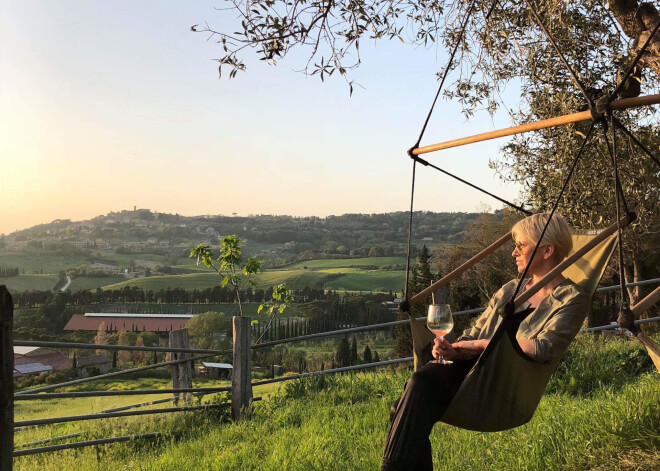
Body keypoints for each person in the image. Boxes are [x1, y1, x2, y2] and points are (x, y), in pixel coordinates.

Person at [381, 213, 590, 471]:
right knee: (407, 404)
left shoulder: (571, 299)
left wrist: (478, 346)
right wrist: (454, 349)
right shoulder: (509, 289)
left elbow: (544, 347)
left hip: (501, 387)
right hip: (469, 373)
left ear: (547, 250)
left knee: (413, 396)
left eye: (521, 246)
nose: (514, 253)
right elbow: (475, 333)